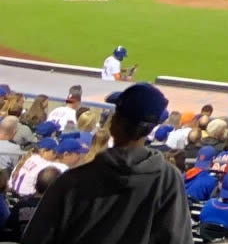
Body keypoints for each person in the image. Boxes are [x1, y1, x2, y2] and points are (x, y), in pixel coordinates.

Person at [20, 81, 191, 244]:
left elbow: (36, 238)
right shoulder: (169, 180)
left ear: (114, 123)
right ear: (150, 128)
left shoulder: (72, 180)